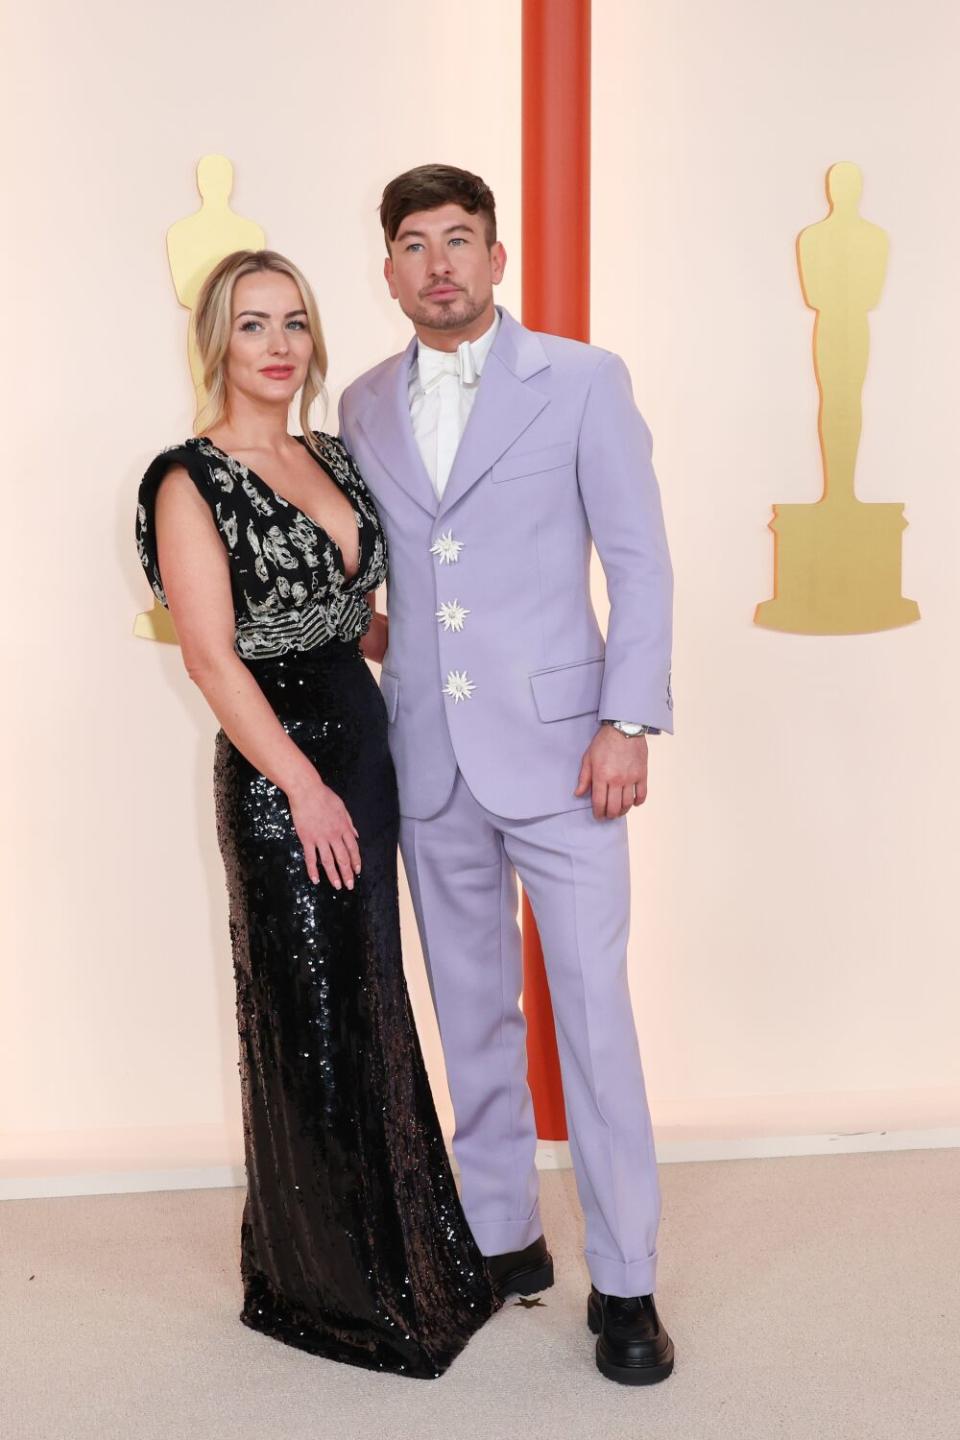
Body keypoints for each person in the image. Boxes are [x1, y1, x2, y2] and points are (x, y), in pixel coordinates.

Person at [339, 165, 676, 1385]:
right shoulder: (364, 399)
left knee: (593, 1019)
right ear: (389, 269)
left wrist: (627, 719)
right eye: (415, 244)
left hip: (568, 753)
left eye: (460, 240)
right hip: (428, 755)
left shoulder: (583, 381)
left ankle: (627, 1280)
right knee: (470, 1013)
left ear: (497, 256)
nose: (440, 264)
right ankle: (502, 1239)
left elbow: (639, 561)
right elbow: (397, 575)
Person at [134, 248, 498, 1378]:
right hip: (280, 767)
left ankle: (410, 1258)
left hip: (365, 745)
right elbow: (209, 655)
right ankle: (328, 1289)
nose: (279, 344)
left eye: (294, 321)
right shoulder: (186, 478)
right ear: (218, 345)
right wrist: (300, 783)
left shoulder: (333, 454)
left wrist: (476, 630)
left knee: (370, 992)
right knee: (311, 1006)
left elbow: (363, 623)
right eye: (253, 325)